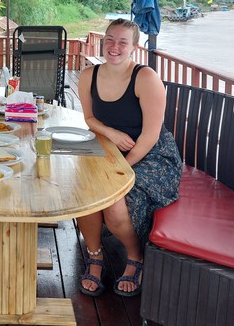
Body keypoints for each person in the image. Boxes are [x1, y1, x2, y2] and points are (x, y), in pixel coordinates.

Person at [76, 18, 182, 297]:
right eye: (110, 39)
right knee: (85, 190)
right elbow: (89, 119)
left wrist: (123, 166)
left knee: (113, 199)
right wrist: (109, 132)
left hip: (151, 154)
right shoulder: (89, 75)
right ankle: (95, 255)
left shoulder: (145, 78)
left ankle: (135, 256)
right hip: (110, 147)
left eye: (123, 41)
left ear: (134, 47)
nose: (114, 46)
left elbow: (150, 135)